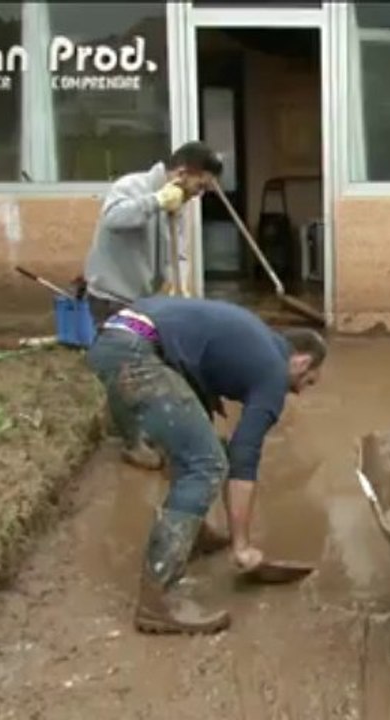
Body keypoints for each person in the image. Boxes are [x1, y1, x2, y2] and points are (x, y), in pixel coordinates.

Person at [85, 295, 327, 635]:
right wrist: (242, 546)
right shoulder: (273, 371)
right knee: (207, 464)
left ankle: (196, 535)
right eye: (309, 381)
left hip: (120, 338)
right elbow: (245, 455)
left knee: (197, 449)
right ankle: (157, 599)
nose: (301, 392)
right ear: (301, 361)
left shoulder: (253, 342)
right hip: (136, 352)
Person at [82, 141, 224, 471]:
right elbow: (115, 219)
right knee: (123, 371)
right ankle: (131, 442)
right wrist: (156, 201)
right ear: (182, 173)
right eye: (199, 186)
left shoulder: (178, 203)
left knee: (152, 365)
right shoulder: (132, 187)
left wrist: (182, 290)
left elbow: (180, 252)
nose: (199, 195)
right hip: (111, 295)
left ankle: (149, 429)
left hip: (144, 300)